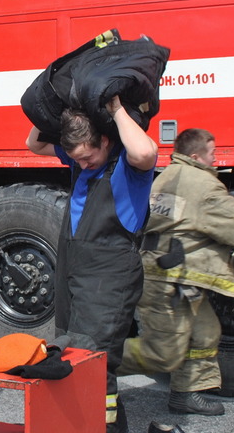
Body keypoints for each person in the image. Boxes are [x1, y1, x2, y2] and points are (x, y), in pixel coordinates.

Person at [27, 96, 158, 433]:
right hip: (74, 272)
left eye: (87, 156)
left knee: (94, 363)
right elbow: (34, 143)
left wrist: (115, 110)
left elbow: (146, 152)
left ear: (106, 139)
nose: (83, 164)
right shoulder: (83, 161)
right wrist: (56, 107)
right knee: (71, 356)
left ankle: (106, 427)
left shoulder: (129, 168)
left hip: (109, 277)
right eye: (76, 158)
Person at [117, 128, 234, 417]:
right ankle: (96, 363)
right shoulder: (201, 184)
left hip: (174, 276)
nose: (216, 158)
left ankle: (187, 394)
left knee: (204, 332)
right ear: (196, 156)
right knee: (164, 352)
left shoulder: (169, 176)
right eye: (213, 153)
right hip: (170, 279)